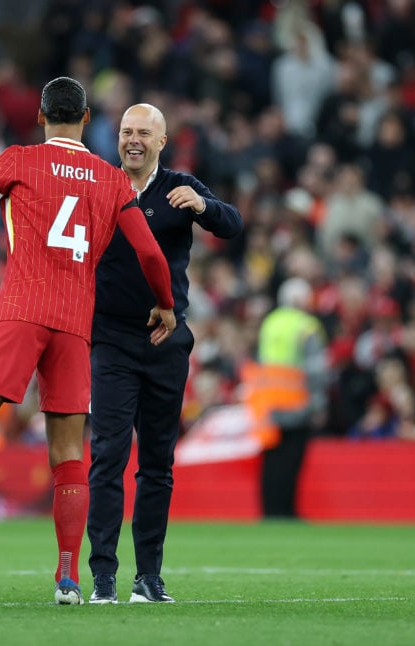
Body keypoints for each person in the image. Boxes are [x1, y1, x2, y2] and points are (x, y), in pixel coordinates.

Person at [0, 76, 177, 605]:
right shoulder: (111, 180)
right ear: (85, 119)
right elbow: (150, 254)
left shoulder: (17, 161)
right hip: (75, 326)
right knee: (67, 456)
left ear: (40, 116)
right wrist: (166, 304)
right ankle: (67, 577)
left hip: (19, 310)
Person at [86, 103, 244, 605]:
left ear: (162, 140)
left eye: (143, 133)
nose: (133, 140)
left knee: (157, 463)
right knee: (107, 457)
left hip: (165, 343)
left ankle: (148, 577)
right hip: (110, 340)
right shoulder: (97, 185)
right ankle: (103, 577)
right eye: (126, 132)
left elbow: (233, 225)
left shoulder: (180, 186)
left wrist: (203, 205)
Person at [247, 277, 328, 518]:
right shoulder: (307, 326)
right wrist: (318, 404)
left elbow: (262, 361)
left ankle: (270, 511)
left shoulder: (270, 323)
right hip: (297, 403)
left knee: (271, 460)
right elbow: (316, 370)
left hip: (269, 403)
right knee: (292, 460)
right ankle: (287, 511)